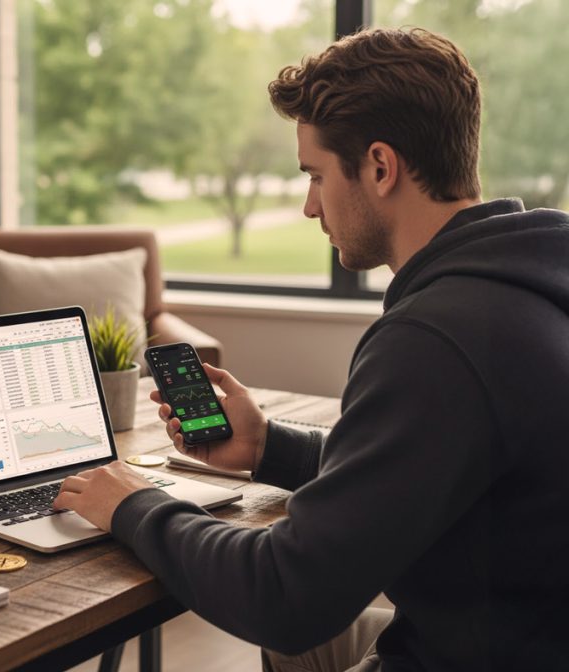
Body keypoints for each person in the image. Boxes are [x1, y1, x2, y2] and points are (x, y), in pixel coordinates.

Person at [53, 26, 569, 671]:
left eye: (317, 176)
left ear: (380, 167)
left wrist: (132, 503)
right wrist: (272, 447)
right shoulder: (528, 282)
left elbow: (284, 596)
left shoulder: (436, 339)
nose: (307, 206)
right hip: (516, 636)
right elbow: (429, 468)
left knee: (297, 630)